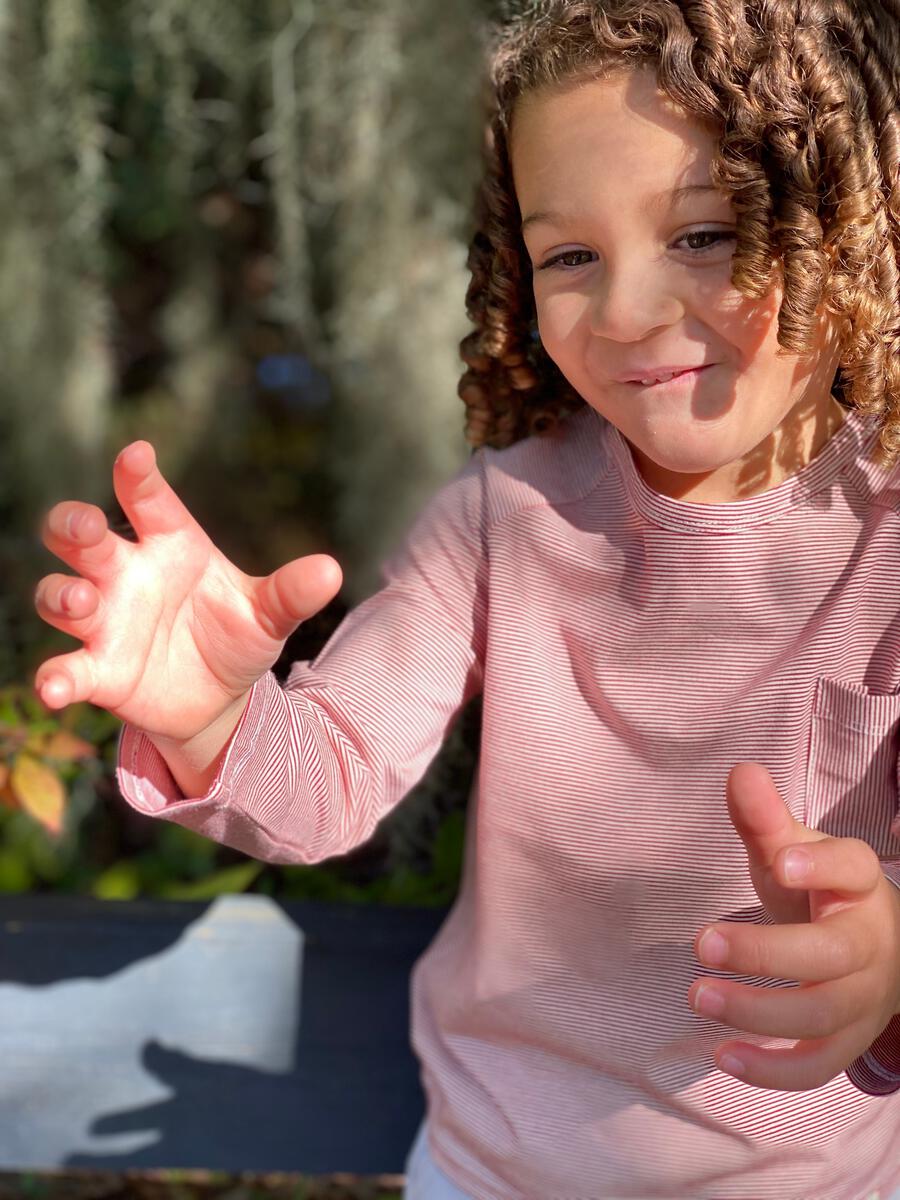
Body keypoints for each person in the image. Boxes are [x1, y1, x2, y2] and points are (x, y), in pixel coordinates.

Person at [31, 0, 900, 1195]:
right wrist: (210, 720)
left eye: (705, 233)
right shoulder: (501, 519)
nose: (632, 311)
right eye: (571, 256)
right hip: (488, 1170)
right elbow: (331, 773)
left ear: (848, 221)